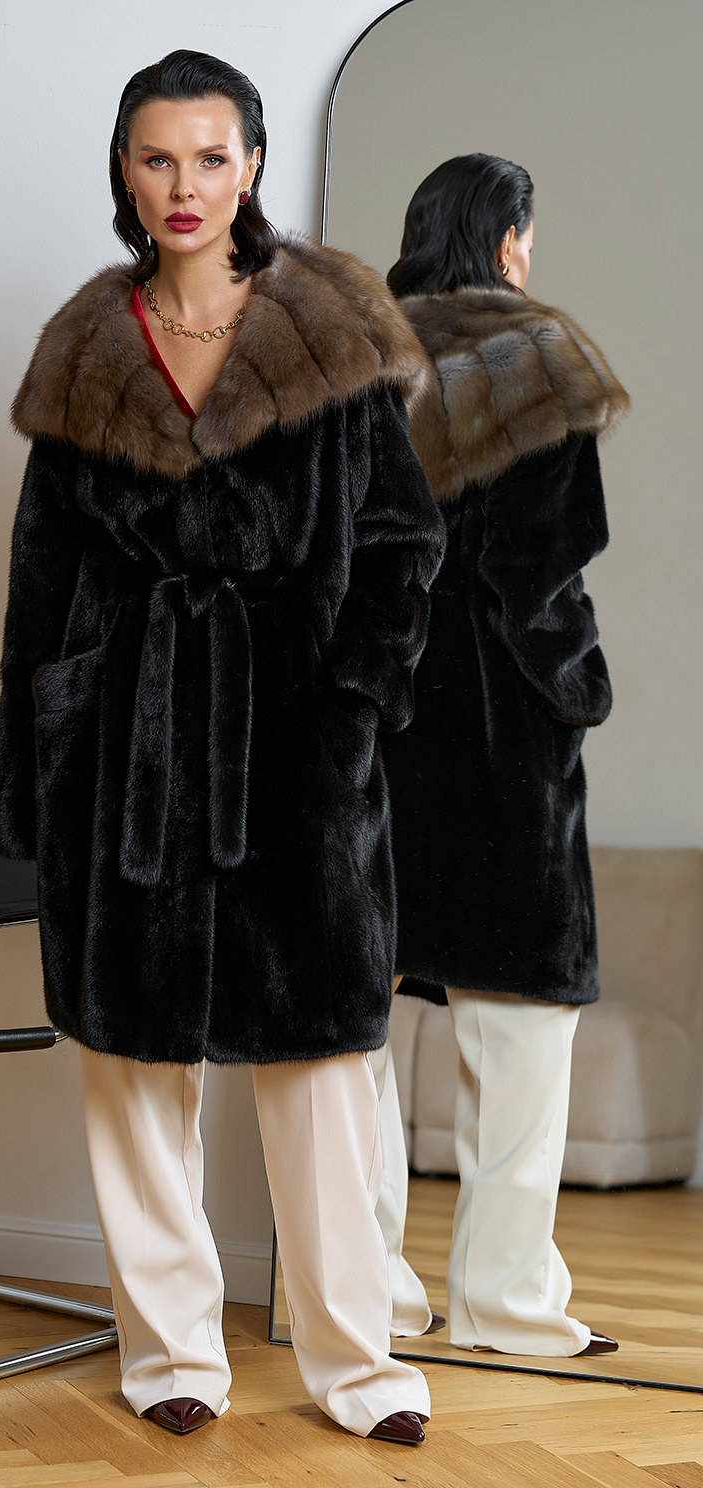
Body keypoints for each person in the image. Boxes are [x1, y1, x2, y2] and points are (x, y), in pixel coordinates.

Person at [0, 49, 446, 1445]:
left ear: (251, 164)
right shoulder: (86, 355)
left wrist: (350, 702)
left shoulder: (331, 336)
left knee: (321, 1072)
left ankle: (359, 1367)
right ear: (124, 174)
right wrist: (40, 757)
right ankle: (171, 1356)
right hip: (121, 748)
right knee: (135, 1070)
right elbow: (39, 579)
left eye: (209, 155)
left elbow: (403, 542)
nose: (183, 185)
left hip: (293, 747)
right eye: (156, 158)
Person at [377, 154, 629, 1357]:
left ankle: (362, 1294)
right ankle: (503, 1301)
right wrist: (574, 686)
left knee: (353, 1033)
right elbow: (540, 567)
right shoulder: (535, 357)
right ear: (508, 238)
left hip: (375, 725)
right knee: (521, 1029)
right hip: (498, 731)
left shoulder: (356, 357)